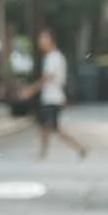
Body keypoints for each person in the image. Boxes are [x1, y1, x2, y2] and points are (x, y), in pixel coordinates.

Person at [27, 25, 88, 160]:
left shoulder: (54, 57)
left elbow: (47, 77)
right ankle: (43, 152)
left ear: (51, 40)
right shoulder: (50, 57)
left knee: (54, 128)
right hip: (49, 97)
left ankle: (79, 147)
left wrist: (32, 89)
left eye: (43, 38)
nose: (41, 41)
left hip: (53, 98)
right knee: (45, 126)